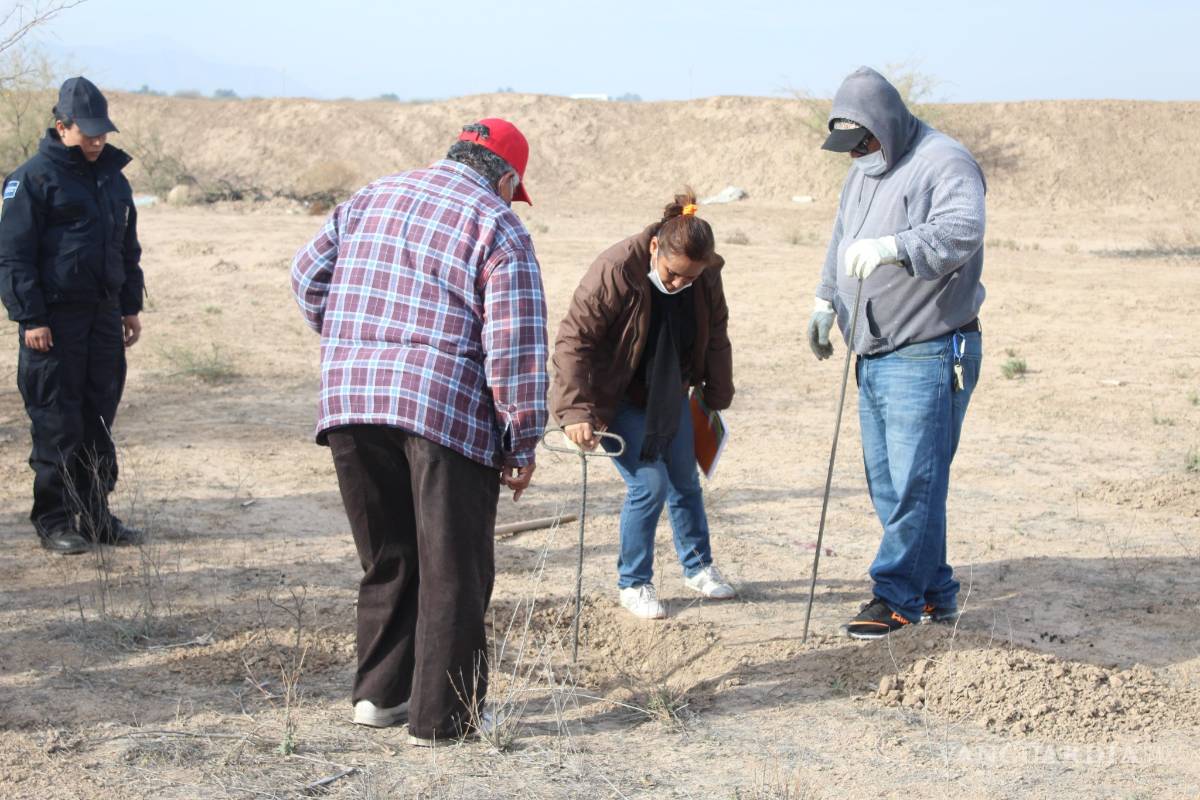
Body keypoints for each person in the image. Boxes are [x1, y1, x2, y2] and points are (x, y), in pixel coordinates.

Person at [290, 118, 548, 745]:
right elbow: (513, 343)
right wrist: (521, 438)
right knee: (453, 568)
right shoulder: (496, 223)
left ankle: (379, 698)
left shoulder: (370, 196)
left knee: (389, 556)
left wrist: (358, 341)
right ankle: (442, 719)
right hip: (441, 411)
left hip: (351, 400)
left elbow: (305, 277)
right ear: (508, 178)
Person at [806, 67, 986, 639]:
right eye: (849, 146)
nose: (859, 152)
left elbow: (963, 228)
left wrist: (894, 248)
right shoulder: (862, 171)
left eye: (865, 140)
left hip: (927, 350)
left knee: (915, 483)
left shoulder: (943, 161)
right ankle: (934, 593)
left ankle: (897, 597)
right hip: (874, 351)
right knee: (892, 484)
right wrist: (825, 300)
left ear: (887, 123)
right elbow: (841, 237)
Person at [551, 191, 736, 621]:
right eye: (672, 275)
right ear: (655, 247)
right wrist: (575, 410)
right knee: (649, 485)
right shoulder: (615, 269)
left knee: (685, 482)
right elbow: (573, 341)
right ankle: (634, 583)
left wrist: (716, 394)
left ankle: (698, 567)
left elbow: (717, 334)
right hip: (619, 398)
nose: (678, 285)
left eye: (688, 279)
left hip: (671, 391)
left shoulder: (704, 274)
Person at [0, 76, 145, 555]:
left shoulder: (113, 179)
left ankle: (97, 513)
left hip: (103, 317)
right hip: (54, 324)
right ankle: (55, 519)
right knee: (57, 423)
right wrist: (31, 318)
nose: (97, 140)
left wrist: (129, 308)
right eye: (87, 133)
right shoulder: (32, 180)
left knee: (97, 420)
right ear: (61, 127)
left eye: (103, 132)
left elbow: (127, 248)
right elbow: (14, 256)